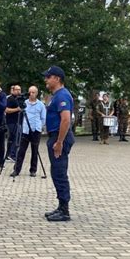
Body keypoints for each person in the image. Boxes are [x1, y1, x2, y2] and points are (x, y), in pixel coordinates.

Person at [43, 66, 75, 222]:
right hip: (55, 136)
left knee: (60, 173)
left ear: (56, 78)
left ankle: (64, 210)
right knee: (56, 172)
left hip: (59, 137)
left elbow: (66, 119)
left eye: (48, 77)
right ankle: (61, 206)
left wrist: (59, 142)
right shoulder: (56, 96)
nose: (46, 80)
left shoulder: (62, 95)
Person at [10, 86, 46, 178]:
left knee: (34, 151)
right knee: (21, 150)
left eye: (33, 92)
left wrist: (39, 126)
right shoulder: (24, 103)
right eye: (30, 92)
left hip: (36, 130)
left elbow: (43, 118)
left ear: (36, 93)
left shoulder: (41, 105)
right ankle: (16, 170)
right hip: (25, 130)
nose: (31, 94)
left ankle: (33, 170)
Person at [5, 85, 22, 162]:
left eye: (19, 90)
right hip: (11, 121)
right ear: (13, 90)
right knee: (15, 137)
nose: (18, 91)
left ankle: (9, 154)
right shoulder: (10, 99)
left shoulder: (19, 99)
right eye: (17, 90)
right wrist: (17, 109)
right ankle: (12, 155)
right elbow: (6, 110)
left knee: (13, 138)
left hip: (18, 121)